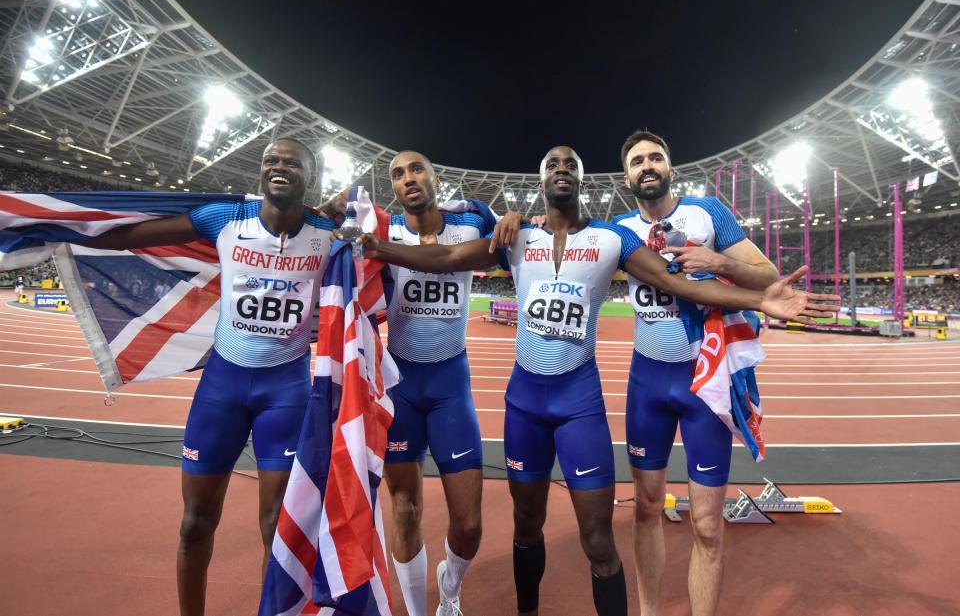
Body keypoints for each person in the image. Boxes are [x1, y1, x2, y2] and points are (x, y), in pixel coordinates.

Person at [350, 146, 837, 616]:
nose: (561, 169)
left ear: (582, 178)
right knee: (526, 526)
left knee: (599, 539)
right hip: (524, 400)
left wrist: (758, 300)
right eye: (551, 164)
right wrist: (378, 248)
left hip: (579, 400)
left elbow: (675, 283)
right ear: (541, 182)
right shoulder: (516, 239)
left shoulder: (612, 239)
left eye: (571, 163)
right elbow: (451, 259)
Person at [81, 138, 337, 616]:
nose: (278, 168)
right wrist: (70, 232)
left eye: (291, 163)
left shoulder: (328, 231)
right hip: (222, 388)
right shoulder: (225, 219)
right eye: (270, 161)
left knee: (276, 529)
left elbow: (384, 245)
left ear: (310, 177)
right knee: (195, 523)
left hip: (286, 392)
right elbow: (137, 236)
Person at [611, 130, 778, 616]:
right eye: (638, 160)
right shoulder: (617, 229)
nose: (647, 165)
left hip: (706, 383)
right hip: (648, 383)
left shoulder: (708, 214)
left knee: (707, 524)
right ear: (627, 176)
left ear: (669, 167)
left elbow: (767, 276)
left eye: (655, 157)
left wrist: (717, 260)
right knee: (645, 511)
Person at [381, 150, 520, 616]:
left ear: (435, 178)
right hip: (399, 384)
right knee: (404, 508)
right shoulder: (383, 230)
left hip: (449, 386)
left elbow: (511, 236)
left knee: (469, 522)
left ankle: (451, 585)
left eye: (416, 169)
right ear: (393, 187)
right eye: (398, 174)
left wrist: (513, 216)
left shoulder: (472, 220)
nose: (408, 178)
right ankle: (422, 611)